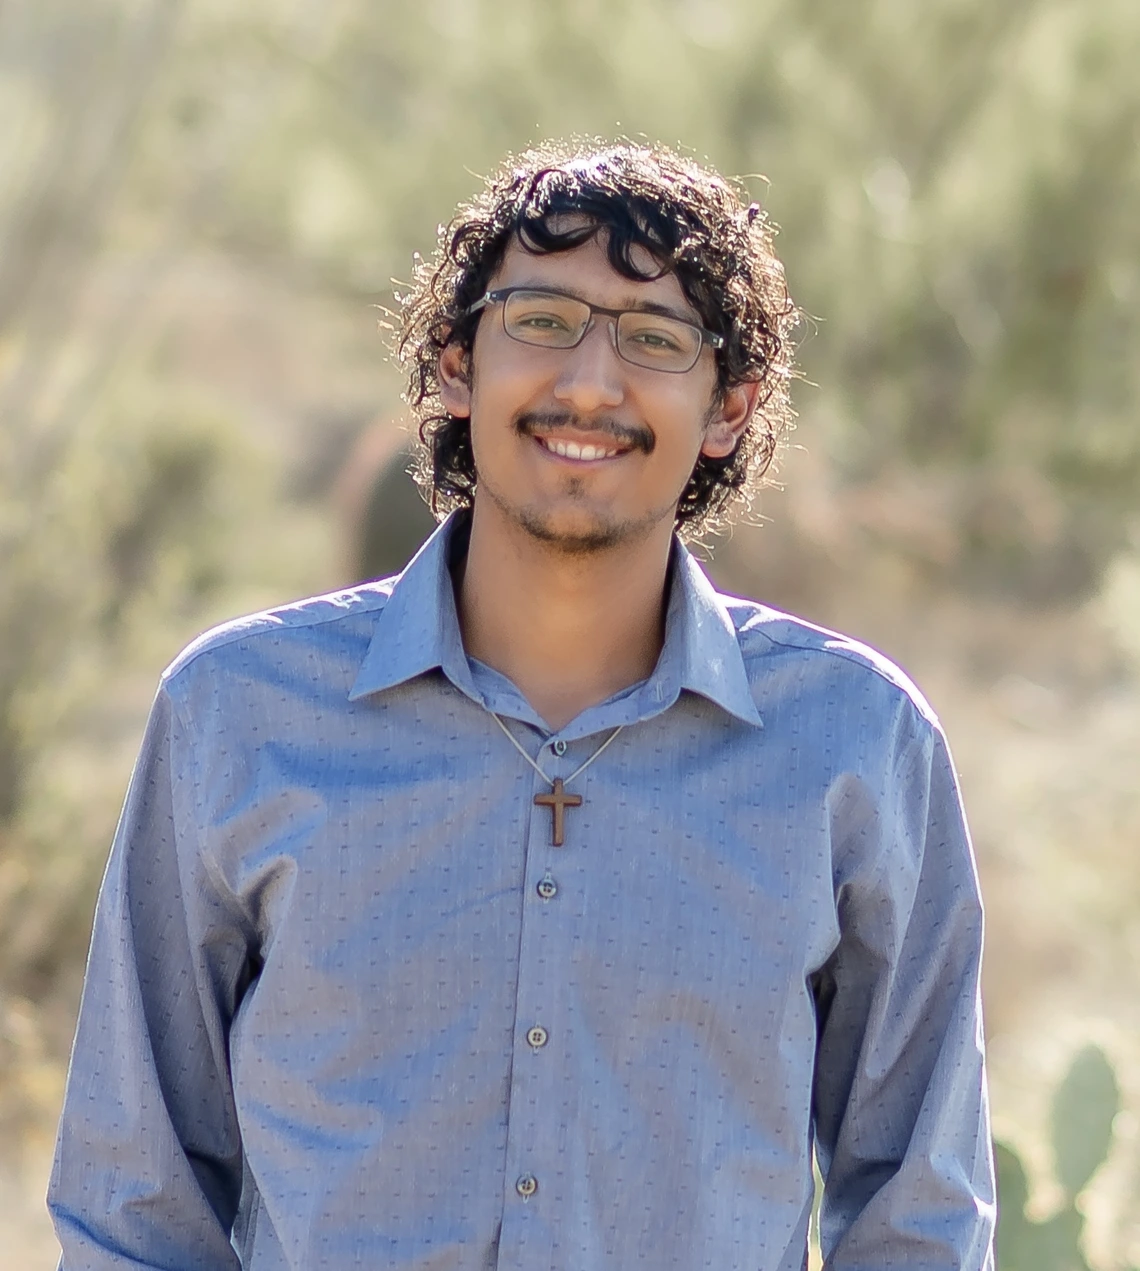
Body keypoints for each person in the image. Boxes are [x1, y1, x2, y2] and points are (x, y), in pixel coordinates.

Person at [49, 142, 996, 1270]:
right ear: (456, 362)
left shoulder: (856, 746)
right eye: (542, 319)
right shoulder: (238, 715)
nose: (590, 383)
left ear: (731, 406)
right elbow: (136, 1205)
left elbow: (919, 1218)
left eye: (654, 338)